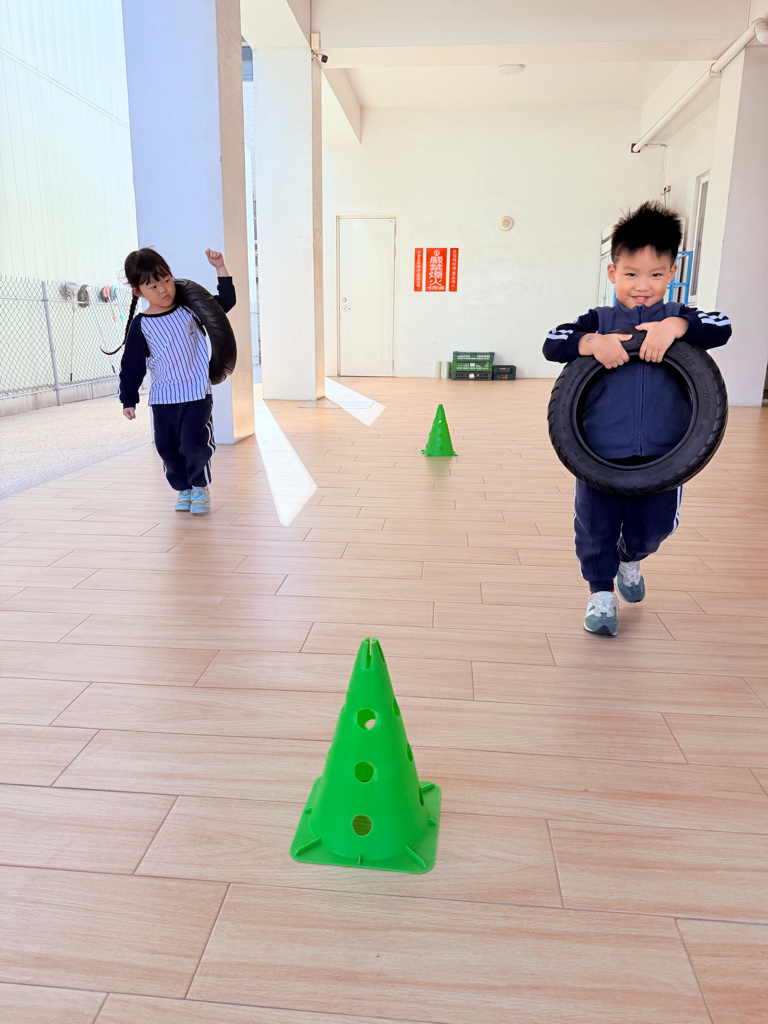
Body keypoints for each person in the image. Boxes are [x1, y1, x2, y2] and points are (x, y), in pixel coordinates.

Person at [543, 201, 731, 636]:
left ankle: (631, 558)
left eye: (655, 274)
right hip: (599, 454)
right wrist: (592, 342)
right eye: (630, 274)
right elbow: (553, 342)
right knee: (594, 529)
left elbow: (722, 326)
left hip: (665, 457)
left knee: (653, 529)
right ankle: (600, 595)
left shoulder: (681, 319)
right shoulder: (600, 321)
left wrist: (676, 327)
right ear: (613, 273)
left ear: (672, 273)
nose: (642, 286)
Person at [118, 247, 236, 514]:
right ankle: (183, 488)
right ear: (137, 291)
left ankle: (200, 487)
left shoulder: (190, 310)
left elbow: (225, 304)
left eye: (166, 280)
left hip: (196, 394)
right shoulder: (141, 325)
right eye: (153, 286)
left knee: (194, 443)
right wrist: (129, 399)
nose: (163, 290)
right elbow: (132, 365)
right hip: (164, 398)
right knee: (167, 447)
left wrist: (220, 268)